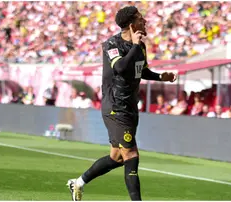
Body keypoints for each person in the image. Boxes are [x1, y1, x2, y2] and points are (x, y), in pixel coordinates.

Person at [66, 6, 176, 201]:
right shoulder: (112, 44)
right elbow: (120, 68)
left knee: (116, 157)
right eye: (141, 19)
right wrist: (134, 45)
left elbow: (140, 70)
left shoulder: (140, 46)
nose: (145, 22)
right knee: (131, 154)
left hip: (131, 106)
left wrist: (161, 76)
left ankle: (78, 183)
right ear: (132, 25)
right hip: (115, 107)